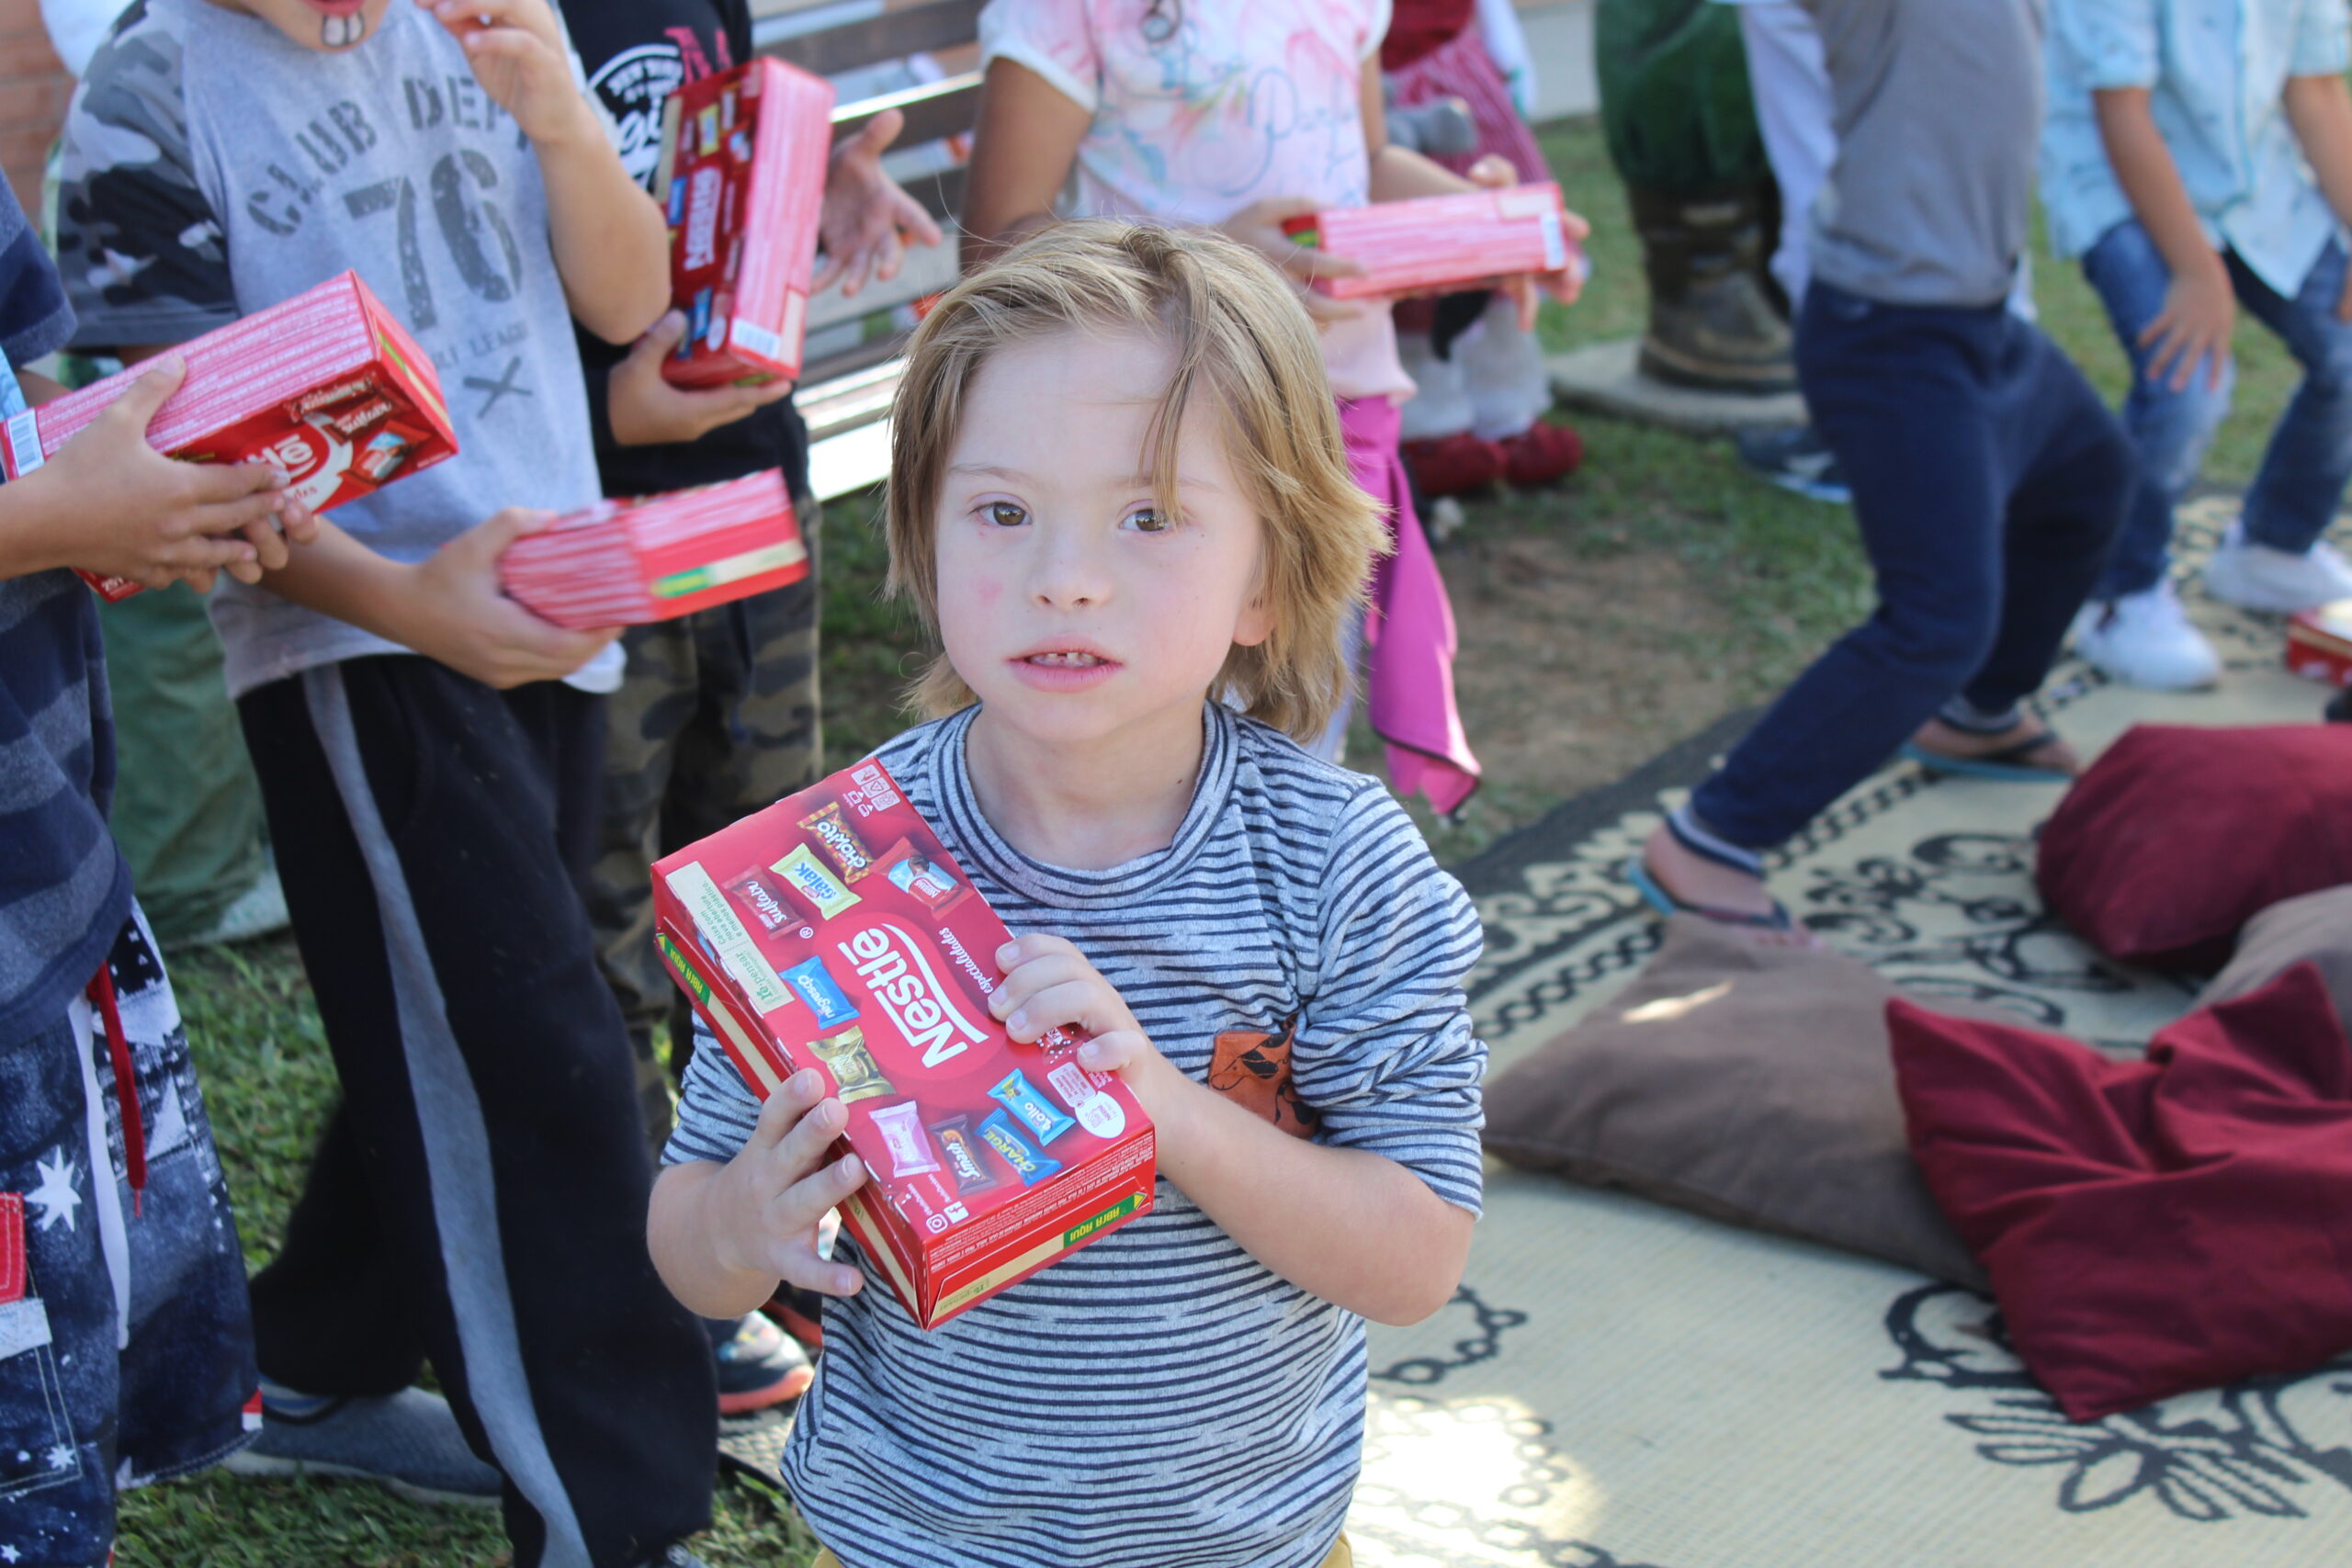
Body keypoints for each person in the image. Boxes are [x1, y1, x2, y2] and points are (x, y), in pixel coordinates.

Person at [648, 220, 1488, 1568]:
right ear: (924, 537)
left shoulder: (1340, 867)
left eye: (1149, 514)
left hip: (1252, 1541)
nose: (1065, 574)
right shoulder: (835, 867)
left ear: (1269, 574)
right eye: (1002, 509)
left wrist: (1161, 1108)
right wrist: (748, 1217)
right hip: (918, 1537)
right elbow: (688, 1236)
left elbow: (1415, 1257)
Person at [58, 2, 720, 1562]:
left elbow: (624, 301)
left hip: (550, 599)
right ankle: (613, 1521)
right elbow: (169, 463)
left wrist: (557, 113)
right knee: (537, 1058)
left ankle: (313, 1362)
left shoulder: (483, 22)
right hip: (358, 642)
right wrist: (418, 606)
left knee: (461, 1013)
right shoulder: (149, 97)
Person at [556, 0, 943, 1415]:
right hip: (590, 519)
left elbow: (714, 161)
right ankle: (651, 1271)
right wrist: (608, 416)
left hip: (748, 489)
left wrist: (826, 170)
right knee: (604, 916)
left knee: (773, 900)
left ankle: (773, 1221)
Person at [961, 0, 1588, 813]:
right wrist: (1208, 260)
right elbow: (993, 242)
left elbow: (1365, 160)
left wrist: (1484, 225)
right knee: (1163, 756)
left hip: (1336, 424)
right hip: (1171, 433)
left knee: (1297, 740)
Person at [1634, 0, 2134, 933]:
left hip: (1984, 323)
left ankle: (1981, 712)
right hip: (1890, 331)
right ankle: (1709, 834)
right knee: (1938, 617)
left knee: (2088, 481)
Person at [0, 170, 308, 1568]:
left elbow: (33, 399)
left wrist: (139, 498)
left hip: (37, 849)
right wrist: (57, 522)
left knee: (51, 1414)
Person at [2045, 0, 2352, 691]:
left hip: (2249, 182)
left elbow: (2314, 87)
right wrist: (2193, 269)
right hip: (2121, 182)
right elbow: (2122, 112)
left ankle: (2272, 547)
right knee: (2190, 387)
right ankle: (2118, 595)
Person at [1383, 0, 1585, 497]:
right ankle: (1431, 425)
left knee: (1500, 276)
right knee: (1410, 279)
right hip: (1384, 94)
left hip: (1459, 77)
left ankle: (1508, 410)